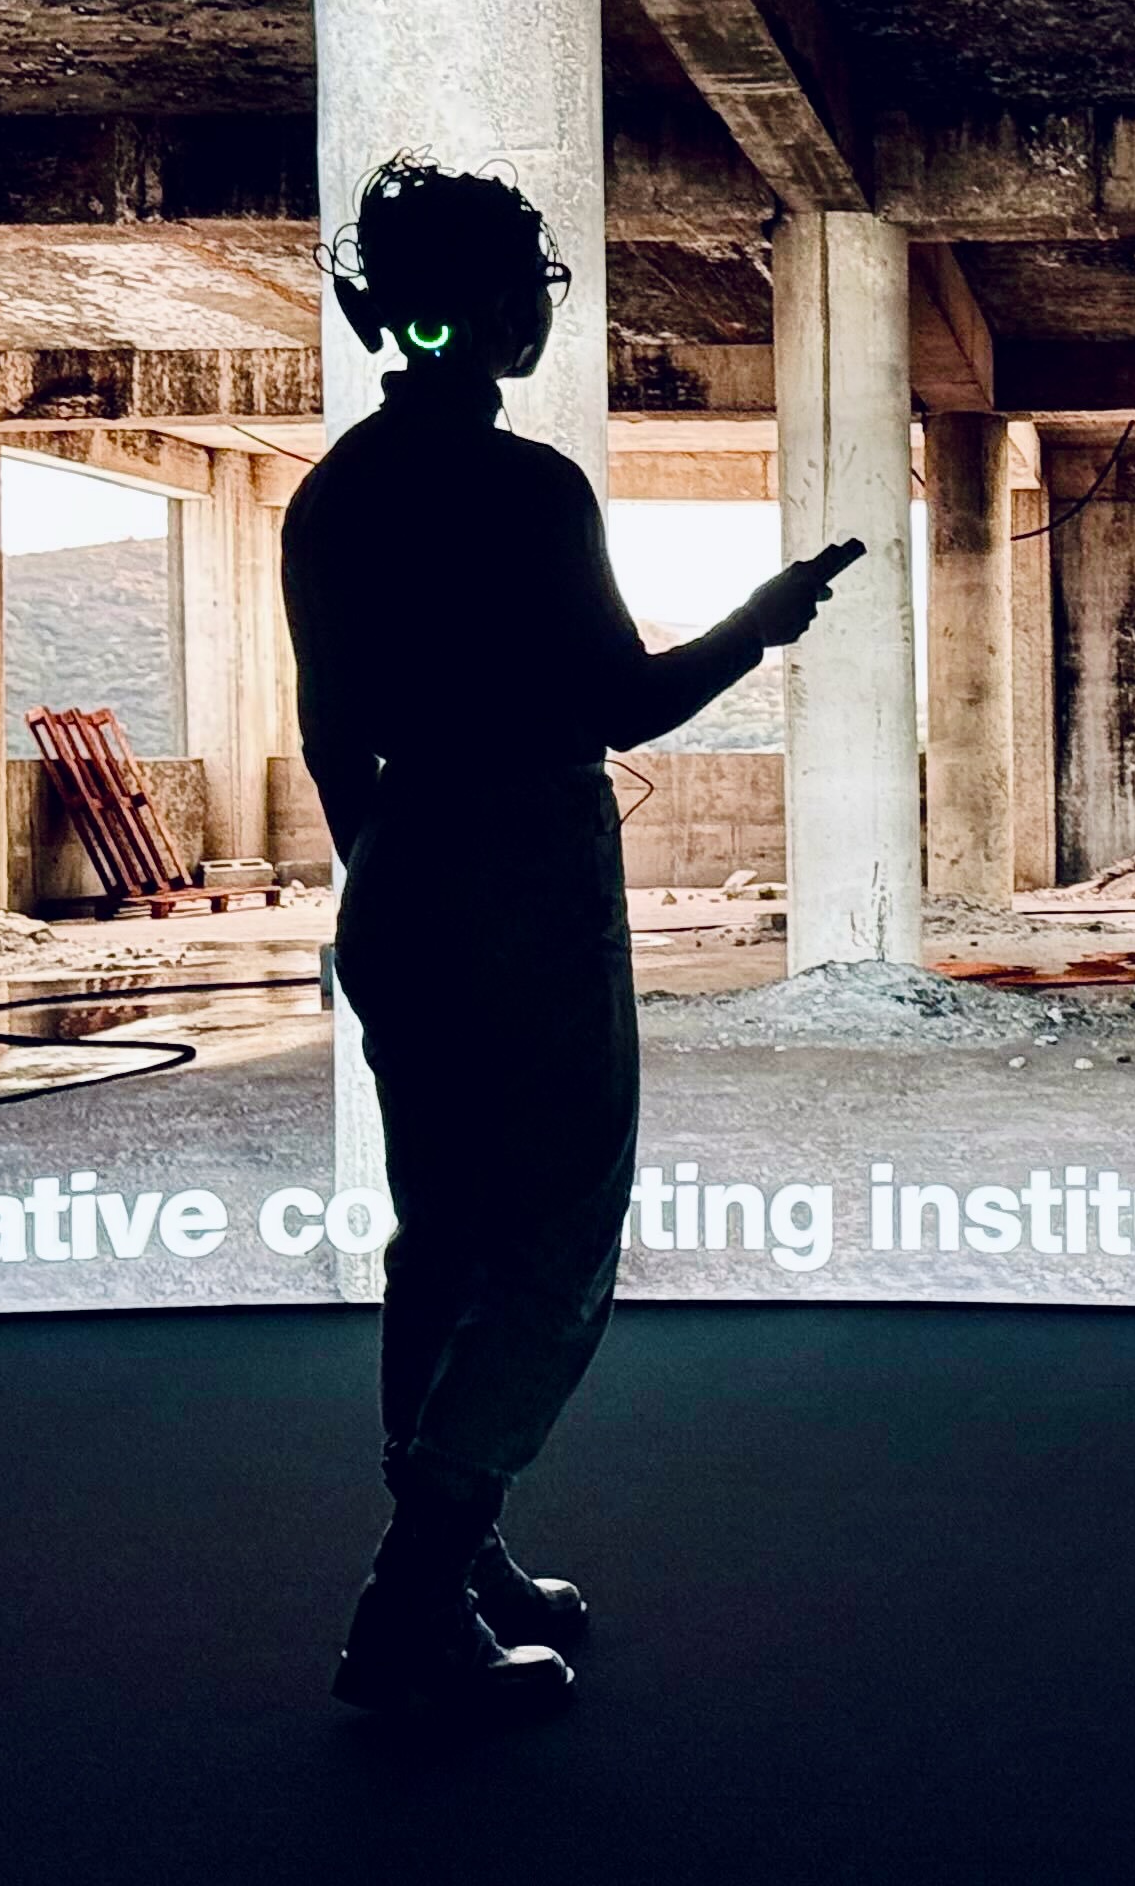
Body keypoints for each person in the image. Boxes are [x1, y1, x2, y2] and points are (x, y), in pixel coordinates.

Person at [283, 156, 855, 1720]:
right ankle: (408, 1604)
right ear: (495, 309)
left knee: (442, 1242)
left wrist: (394, 875)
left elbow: (334, 743)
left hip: (397, 880)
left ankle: (463, 1555)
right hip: (522, 877)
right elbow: (625, 704)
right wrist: (764, 617)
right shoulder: (526, 490)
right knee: (547, 1249)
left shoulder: (332, 495)